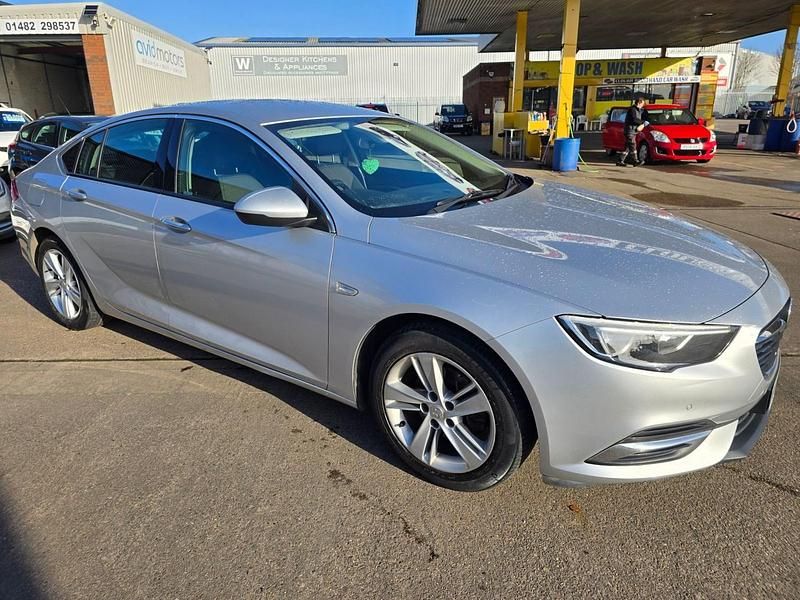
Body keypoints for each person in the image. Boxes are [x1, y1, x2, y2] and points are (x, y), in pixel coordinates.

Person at [617, 96, 647, 167]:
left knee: (627, 146)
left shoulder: (638, 110)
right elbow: (634, 119)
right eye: (643, 103)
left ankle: (620, 160)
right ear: (639, 102)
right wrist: (643, 122)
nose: (643, 105)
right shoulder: (633, 109)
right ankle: (635, 161)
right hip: (630, 130)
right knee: (633, 144)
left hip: (633, 130)